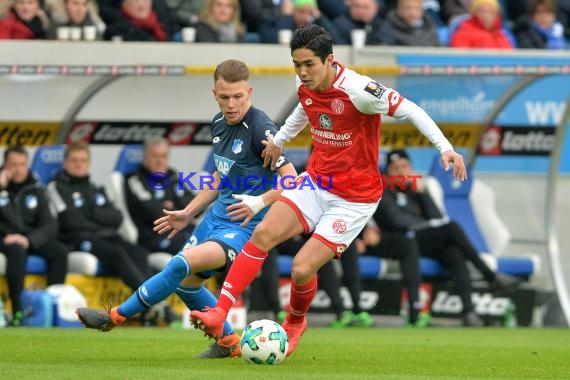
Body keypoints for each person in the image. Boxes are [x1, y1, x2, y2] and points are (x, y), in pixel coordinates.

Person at [191, 24, 466, 356]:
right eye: (297, 65)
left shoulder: (360, 89)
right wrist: (279, 141)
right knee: (262, 233)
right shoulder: (304, 83)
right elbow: (303, 111)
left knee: (302, 268)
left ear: (330, 60)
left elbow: (412, 110)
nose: (303, 72)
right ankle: (220, 311)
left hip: (354, 199)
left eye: (309, 64)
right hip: (316, 181)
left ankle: (294, 322)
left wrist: (445, 148)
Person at [76, 59, 297, 359]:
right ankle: (229, 342)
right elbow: (221, 176)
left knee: (179, 265)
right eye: (224, 97)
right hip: (215, 218)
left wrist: (258, 202)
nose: (231, 104)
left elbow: (292, 181)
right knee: (185, 285)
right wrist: (188, 212)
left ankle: (115, 317)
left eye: (238, 97)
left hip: (244, 226)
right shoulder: (218, 124)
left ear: (249, 92)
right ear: (214, 94)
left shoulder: (261, 129)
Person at [371, 149, 521, 326]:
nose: (401, 172)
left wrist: (422, 194)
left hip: (424, 240)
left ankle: (469, 312)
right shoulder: (383, 189)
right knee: (452, 228)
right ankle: (490, 275)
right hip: (402, 242)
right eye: (395, 169)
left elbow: (436, 217)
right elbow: (397, 221)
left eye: (404, 166)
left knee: (453, 252)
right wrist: (428, 225)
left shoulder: (415, 189)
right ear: (388, 172)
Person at [47, 142, 152, 295]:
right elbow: (69, 222)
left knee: (139, 252)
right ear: (65, 162)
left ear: (88, 163)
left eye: (83, 160)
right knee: (116, 253)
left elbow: (117, 218)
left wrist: (91, 213)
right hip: (79, 240)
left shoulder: (96, 189)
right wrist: (99, 218)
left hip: (108, 237)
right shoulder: (56, 188)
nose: (79, 164)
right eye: (74, 160)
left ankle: (152, 300)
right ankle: (149, 301)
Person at [0, 145, 69, 326]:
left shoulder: (36, 188)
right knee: (17, 251)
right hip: (4, 238)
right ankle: (18, 312)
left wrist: (30, 240)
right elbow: (12, 223)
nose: (18, 169)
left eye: (22, 164)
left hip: (27, 239)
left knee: (59, 251)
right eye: (13, 164)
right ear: (4, 165)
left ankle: (53, 308)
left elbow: (50, 225)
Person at [125, 137, 196, 255]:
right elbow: (155, 212)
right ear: (145, 157)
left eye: (164, 156)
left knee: (216, 241)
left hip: (183, 232)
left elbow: (195, 207)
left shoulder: (172, 176)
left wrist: (170, 208)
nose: (160, 161)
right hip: (154, 238)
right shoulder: (135, 180)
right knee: (194, 246)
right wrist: (177, 209)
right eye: (155, 156)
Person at [258, 0, 342, 44]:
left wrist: (320, 17)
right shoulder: (270, 21)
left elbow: (337, 42)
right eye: (301, 12)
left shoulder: (314, 27)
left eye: (310, 13)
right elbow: (273, 41)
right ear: (293, 12)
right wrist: (287, 17)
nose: (305, 17)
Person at [449, 0, 515, 49]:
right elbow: (459, 58)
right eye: (482, 11)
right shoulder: (464, 32)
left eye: (490, 11)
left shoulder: (501, 34)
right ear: (475, 13)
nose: (486, 15)